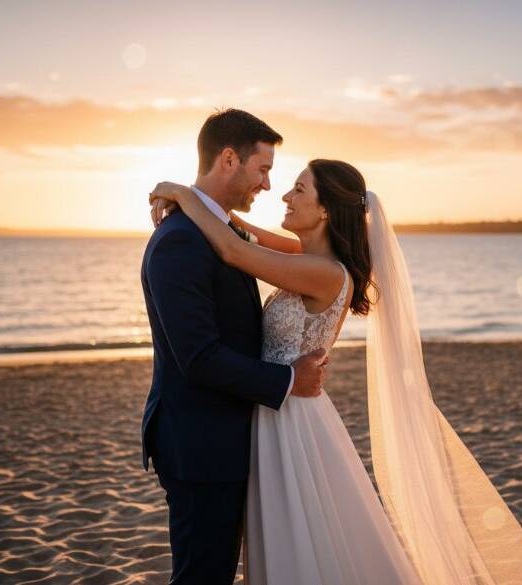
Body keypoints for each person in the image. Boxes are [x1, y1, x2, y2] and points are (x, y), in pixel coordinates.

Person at [149, 154, 522, 584]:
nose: (285, 195)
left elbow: (233, 250)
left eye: (299, 189)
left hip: (291, 417)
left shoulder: (325, 273)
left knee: (301, 540)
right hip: (279, 406)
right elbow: (246, 235)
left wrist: (181, 192)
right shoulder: (309, 257)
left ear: (325, 209)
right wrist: (209, 208)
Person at [140, 109, 328, 585]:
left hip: (232, 437)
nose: (268, 185)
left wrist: (180, 190)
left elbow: (243, 247)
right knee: (203, 575)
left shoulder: (221, 233)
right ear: (229, 159)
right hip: (200, 444)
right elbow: (198, 357)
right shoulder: (180, 241)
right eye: (263, 169)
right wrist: (289, 379)